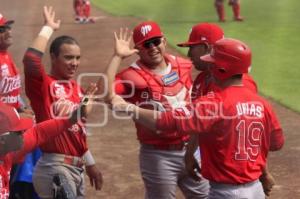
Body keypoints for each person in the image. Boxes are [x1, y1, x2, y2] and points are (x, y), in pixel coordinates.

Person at [111, 38, 285, 199]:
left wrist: (127, 107)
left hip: (225, 193)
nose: (209, 67)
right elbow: (276, 143)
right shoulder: (263, 104)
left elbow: (166, 121)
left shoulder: (213, 103)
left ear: (222, 68)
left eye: (212, 64)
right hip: (256, 190)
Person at [99, 21, 209, 198]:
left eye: (156, 41)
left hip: (192, 148)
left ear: (164, 41)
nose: (152, 48)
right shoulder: (132, 76)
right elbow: (103, 93)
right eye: (145, 44)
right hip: (159, 155)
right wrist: (117, 57)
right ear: (138, 49)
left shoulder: (184, 66)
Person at [178, 22, 275, 196]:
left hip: (233, 173)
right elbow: (199, 123)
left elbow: (248, 131)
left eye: (192, 47)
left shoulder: (240, 84)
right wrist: (190, 153)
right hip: (213, 159)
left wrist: (264, 173)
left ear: (206, 47)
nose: (188, 54)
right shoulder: (201, 80)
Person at [23, 6, 102, 199]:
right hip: (55, 169)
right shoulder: (43, 86)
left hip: (76, 170)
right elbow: (31, 60)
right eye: (68, 57)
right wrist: (48, 28)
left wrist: (90, 164)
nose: (74, 63)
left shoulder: (76, 89)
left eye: (77, 58)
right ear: (53, 57)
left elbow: (77, 134)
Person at [0, 98, 91, 199]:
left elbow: (38, 133)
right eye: (18, 131)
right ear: (2, 139)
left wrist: (71, 120)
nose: (23, 133)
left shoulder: (7, 152)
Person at [0, 12, 42, 199]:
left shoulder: (5, 56)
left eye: (8, 27)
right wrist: (16, 117)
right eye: (2, 29)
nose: (8, 32)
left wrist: (19, 108)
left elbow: (8, 94)